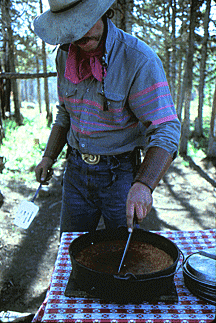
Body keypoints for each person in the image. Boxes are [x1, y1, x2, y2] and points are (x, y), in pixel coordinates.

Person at [34, 0, 181, 236]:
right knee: (73, 248)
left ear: (102, 12)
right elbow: (65, 113)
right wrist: (48, 157)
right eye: (71, 26)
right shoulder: (65, 57)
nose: (79, 33)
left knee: (124, 255)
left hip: (120, 174)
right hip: (75, 172)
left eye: (84, 21)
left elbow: (166, 127)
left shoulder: (138, 59)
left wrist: (143, 184)